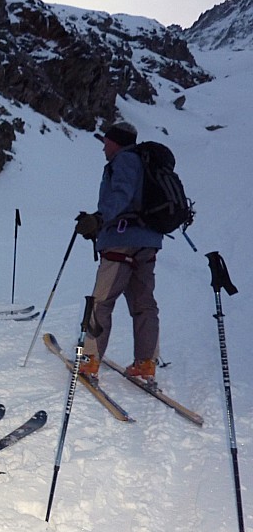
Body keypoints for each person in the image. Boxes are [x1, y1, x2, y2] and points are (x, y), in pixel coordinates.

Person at [75, 121, 163, 381]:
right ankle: (146, 362)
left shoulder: (124, 160)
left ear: (115, 142)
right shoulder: (146, 163)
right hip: (147, 240)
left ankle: (90, 358)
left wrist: (100, 219)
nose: (103, 147)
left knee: (102, 300)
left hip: (121, 239)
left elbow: (122, 194)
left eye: (106, 142)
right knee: (144, 303)